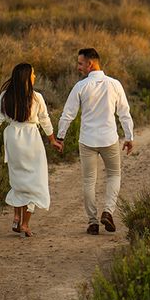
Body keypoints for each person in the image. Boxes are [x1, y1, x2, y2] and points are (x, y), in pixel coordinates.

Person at [57, 48, 134, 235]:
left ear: (90, 63)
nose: (78, 67)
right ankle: (108, 211)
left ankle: (92, 222)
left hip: (88, 140)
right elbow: (124, 112)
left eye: (80, 63)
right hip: (109, 139)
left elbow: (68, 114)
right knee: (114, 175)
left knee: (89, 181)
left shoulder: (81, 87)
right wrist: (129, 137)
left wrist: (60, 136)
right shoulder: (114, 84)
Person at [0, 63, 63, 237]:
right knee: (35, 181)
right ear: (27, 78)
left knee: (18, 178)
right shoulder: (37, 98)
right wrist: (52, 140)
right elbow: (45, 120)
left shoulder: (5, 96)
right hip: (32, 139)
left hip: (12, 138)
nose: (35, 77)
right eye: (33, 74)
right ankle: (25, 224)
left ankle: (15, 217)